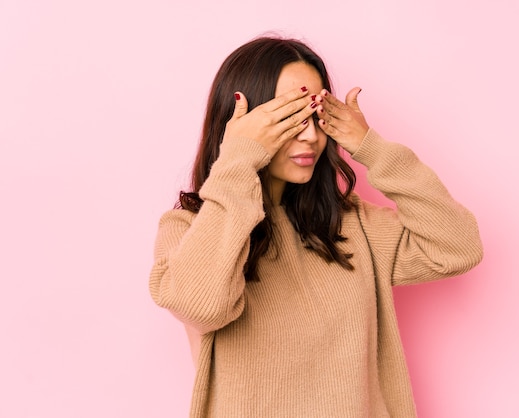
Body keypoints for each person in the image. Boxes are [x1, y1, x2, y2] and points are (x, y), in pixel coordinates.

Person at [149, 35, 483, 418]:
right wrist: (237, 160)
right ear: (242, 125)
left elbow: (458, 247)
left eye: (317, 116)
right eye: (290, 117)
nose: (311, 135)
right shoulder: (189, 228)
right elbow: (200, 307)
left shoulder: (352, 224)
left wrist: (371, 147)